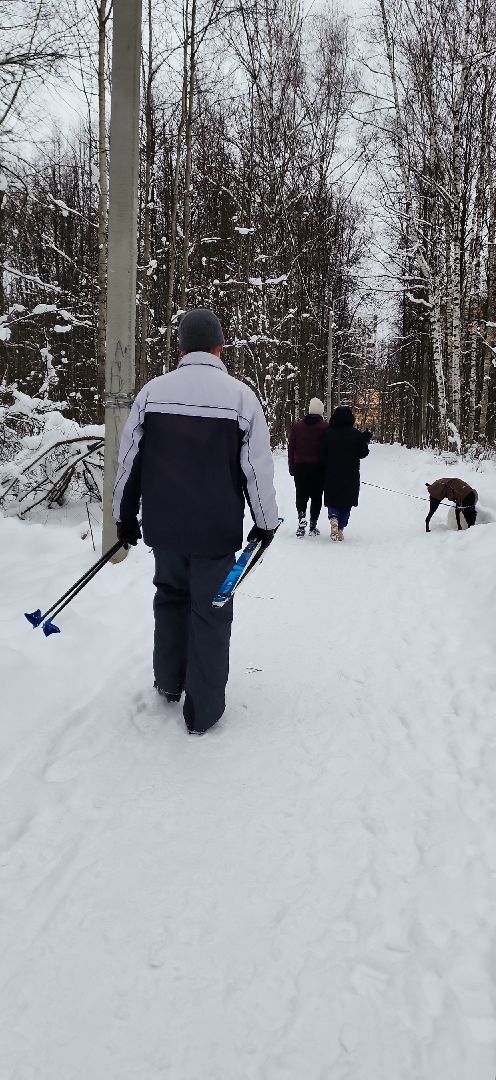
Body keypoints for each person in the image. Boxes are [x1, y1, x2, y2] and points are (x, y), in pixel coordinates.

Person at [112, 308, 279, 735]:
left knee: (169, 599)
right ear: (220, 347)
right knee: (211, 612)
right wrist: (265, 524)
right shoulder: (241, 398)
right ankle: (203, 713)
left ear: (182, 348)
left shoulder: (152, 393)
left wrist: (124, 517)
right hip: (215, 531)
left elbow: (129, 461)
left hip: (165, 528)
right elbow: (256, 469)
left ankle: (169, 682)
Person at [321, 405, 370, 541]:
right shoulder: (356, 434)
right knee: (347, 503)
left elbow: (322, 454)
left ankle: (333, 519)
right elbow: (363, 453)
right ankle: (341, 528)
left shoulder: (328, 434)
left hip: (331, 474)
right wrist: (365, 440)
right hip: (351, 474)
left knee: (333, 500)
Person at [288, 397, 328, 536]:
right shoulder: (325, 427)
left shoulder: (297, 426)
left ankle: (301, 518)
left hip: (300, 467)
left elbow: (291, 447)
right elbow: (328, 449)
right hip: (318, 468)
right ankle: (312, 525)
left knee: (301, 495)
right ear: (320, 411)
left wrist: (291, 466)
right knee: (316, 497)